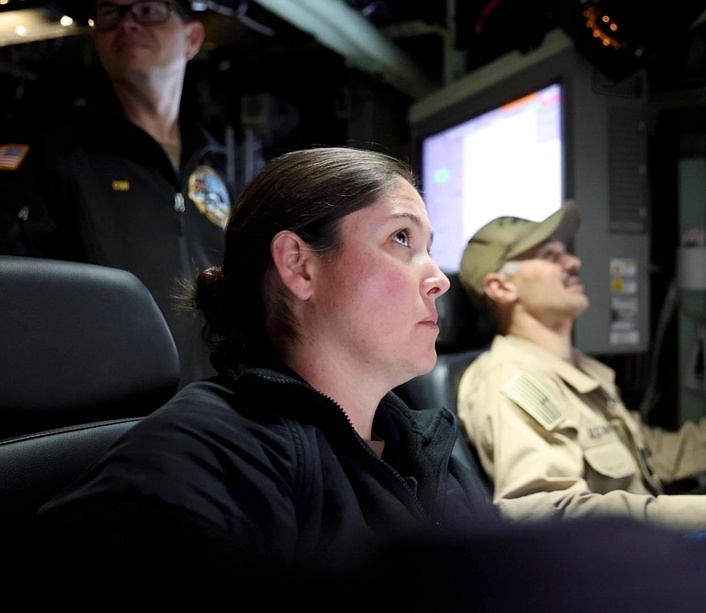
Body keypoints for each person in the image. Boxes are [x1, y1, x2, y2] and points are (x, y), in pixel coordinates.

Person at [33, 147, 498, 588]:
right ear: (299, 266)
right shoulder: (207, 457)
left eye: (429, 248)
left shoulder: (424, 447)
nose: (439, 279)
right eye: (401, 238)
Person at [456, 201, 706, 531]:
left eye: (565, 253)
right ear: (500, 287)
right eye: (551, 256)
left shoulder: (580, 370)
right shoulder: (511, 379)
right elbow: (545, 511)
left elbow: (650, 457)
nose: (573, 263)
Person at [0, 0, 233, 386]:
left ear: (191, 39)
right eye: (111, 14)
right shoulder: (54, 151)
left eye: (147, 11)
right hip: (110, 409)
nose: (127, 24)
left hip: (215, 405)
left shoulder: (215, 164)